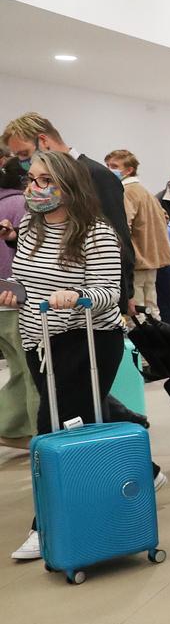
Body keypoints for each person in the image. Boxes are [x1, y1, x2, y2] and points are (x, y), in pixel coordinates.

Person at [1, 151, 128, 560]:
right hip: (41, 341)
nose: (32, 189)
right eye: (31, 179)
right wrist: (12, 292)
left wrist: (77, 297)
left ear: (67, 188)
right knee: (80, 424)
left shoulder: (96, 232)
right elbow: (24, 280)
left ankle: (48, 526)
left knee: (53, 430)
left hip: (87, 339)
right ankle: (120, 489)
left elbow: (111, 291)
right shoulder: (30, 227)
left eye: (42, 181)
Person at [2, 113, 134, 315]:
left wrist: (125, 297)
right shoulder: (37, 190)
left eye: (23, 153)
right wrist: (15, 236)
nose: (22, 162)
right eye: (31, 179)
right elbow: (55, 230)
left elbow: (117, 237)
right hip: (46, 318)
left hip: (88, 313)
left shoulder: (96, 175)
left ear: (43, 141)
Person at [103, 150, 170, 319]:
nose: (108, 170)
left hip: (137, 261)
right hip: (152, 259)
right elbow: (165, 217)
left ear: (129, 170)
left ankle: (144, 345)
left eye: (114, 166)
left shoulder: (126, 191)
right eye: (107, 166)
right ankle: (157, 344)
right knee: (151, 309)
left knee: (136, 313)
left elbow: (122, 226)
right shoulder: (145, 191)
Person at [0, 155, 39, 449]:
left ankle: (11, 428)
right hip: (17, 299)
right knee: (33, 371)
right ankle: (43, 436)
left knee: (18, 367)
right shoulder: (23, 206)